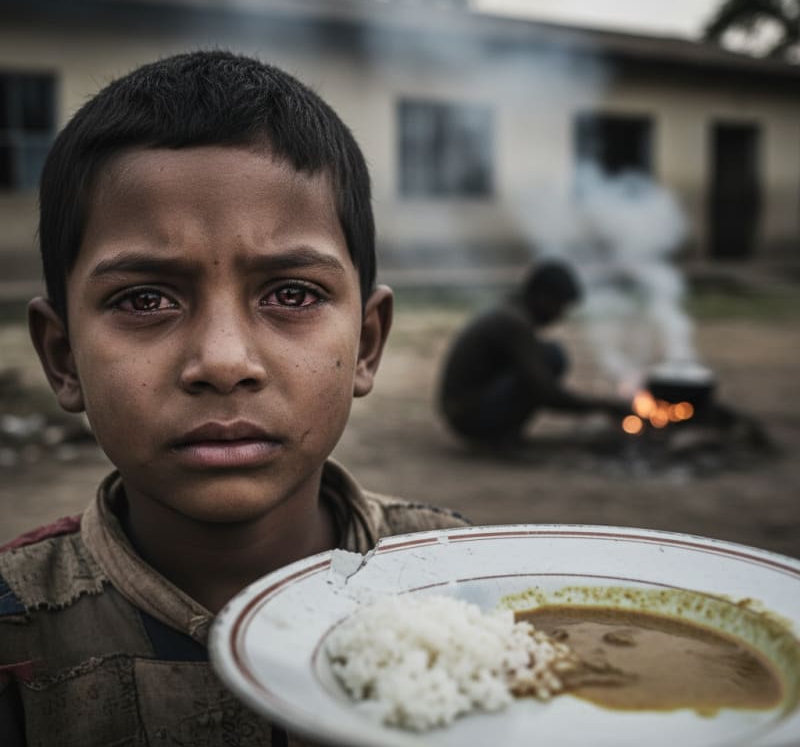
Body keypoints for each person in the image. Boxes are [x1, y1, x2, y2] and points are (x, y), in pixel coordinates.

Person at [0, 50, 468, 746]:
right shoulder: (17, 625)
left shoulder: (463, 578)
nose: (223, 362)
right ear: (63, 357)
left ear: (367, 343)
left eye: (291, 294)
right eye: (145, 298)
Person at [437, 259, 631, 447]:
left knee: (546, 354)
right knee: (551, 357)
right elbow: (547, 393)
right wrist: (605, 406)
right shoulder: (514, 324)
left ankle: (504, 432)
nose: (560, 315)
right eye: (559, 306)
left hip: (460, 410)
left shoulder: (510, 311)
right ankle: (500, 436)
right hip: (467, 417)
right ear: (543, 297)